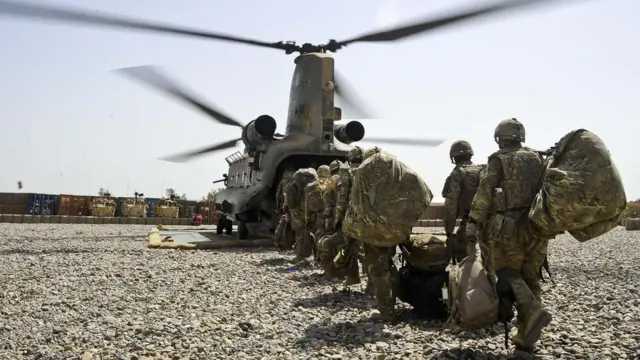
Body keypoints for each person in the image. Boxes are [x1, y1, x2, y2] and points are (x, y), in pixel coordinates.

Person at [466, 118, 551, 358]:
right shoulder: (538, 158)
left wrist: (473, 223)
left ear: (500, 138)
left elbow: (484, 194)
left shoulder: (498, 159)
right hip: (536, 227)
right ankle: (526, 344)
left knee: (507, 274)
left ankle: (534, 311)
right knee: (530, 279)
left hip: (509, 228)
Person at [357, 146, 399, 321]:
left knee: (378, 270)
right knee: (387, 264)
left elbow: (359, 205)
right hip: (392, 229)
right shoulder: (392, 176)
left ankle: (386, 312)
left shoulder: (367, 178)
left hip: (375, 231)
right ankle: (391, 303)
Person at [441, 140, 487, 264]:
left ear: (454, 157)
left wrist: (449, 232)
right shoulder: (482, 169)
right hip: (489, 222)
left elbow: (450, 205)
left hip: (470, 222)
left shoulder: (458, 173)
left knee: (463, 254)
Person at [317, 160, 359, 279]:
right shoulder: (352, 177)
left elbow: (329, 205)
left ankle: (333, 273)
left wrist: (332, 219)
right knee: (350, 248)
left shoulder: (332, 181)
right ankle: (351, 276)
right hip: (353, 218)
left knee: (329, 244)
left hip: (336, 219)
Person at [334, 146, 369, 288]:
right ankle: (372, 282)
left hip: (354, 217)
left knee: (349, 246)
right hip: (372, 217)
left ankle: (353, 277)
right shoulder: (370, 172)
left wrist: (338, 217)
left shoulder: (349, 173)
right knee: (370, 247)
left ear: (351, 158)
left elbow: (342, 197)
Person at [288, 168, 318, 260]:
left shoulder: (292, 187)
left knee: (299, 234)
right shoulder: (314, 186)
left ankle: (300, 255)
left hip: (297, 212)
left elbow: (290, 203)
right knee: (314, 233)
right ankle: (315, 256)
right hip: (311, 212)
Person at [305, 165, 331, 261]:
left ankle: (317, 257)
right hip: (330, 215)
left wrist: (307, 218)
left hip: (317, 215)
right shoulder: (331, 183)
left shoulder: (312, 185)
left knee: (317, 235)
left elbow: (307, 204)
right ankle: (326, 258)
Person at [273, 169, 295, 250]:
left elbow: (278, 194)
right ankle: (291, 244)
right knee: (291, 226)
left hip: (284, 206)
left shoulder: (283, 182)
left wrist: (278, 205)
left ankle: (279, 242)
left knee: (283, 225)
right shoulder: (295, 181)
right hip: (293, 207)